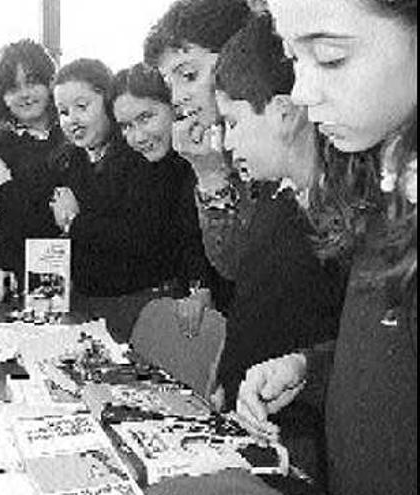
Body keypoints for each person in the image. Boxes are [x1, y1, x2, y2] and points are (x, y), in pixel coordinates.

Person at [235, 1, 417, 494]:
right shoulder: (383, 185)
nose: (301, 93)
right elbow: (392, 359)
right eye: (295, 59)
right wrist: (308, 369)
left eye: (331, 57)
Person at [213, 14, 351, 485]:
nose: (228, 142)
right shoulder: (276, 198)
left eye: (232, 123)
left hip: (311, 447)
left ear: (285, 112)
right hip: (260, 418)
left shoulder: (351, 214)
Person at [49, 59, 187, 341]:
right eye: (63, 112)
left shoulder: (141, 154)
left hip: (140, 306)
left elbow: (140, 237)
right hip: (84, 304)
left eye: (82, 107)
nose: (72, 119)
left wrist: (75, 222)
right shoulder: (66, 161)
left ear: (108, 105)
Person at [144, 0, 254, 313]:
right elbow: (231, 263)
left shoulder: (281, 136)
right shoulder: (212, 148)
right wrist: (209, 173)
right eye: (170, 83)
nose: (178, 97)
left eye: (189, 75)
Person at [111, 62, 212, 307]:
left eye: (146, 118)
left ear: (174, 106)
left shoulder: (207, 157)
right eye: (126, 126)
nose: (137, 137)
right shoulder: (131, 167)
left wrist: (200, 286)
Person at [0, 39, 64, 284]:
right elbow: (4, 222)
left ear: (51, 83)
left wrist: (7, 187)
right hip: (16, 270)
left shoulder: (71, 135)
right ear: (1, 97)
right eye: (13, 88)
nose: (25, 95)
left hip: (69, 268)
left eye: (32, 82)